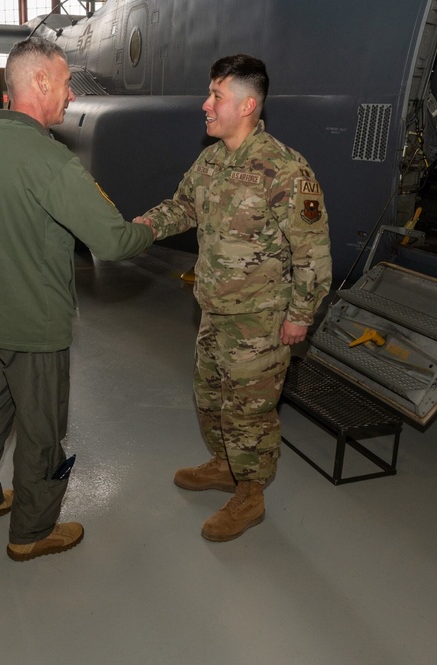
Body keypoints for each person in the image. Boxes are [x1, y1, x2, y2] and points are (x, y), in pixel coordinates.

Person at [0, 37, 153, 562]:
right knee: (42, 435)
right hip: (37, 334)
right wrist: (149, 226)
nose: (70, 98)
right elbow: (113, 241)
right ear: (38, 83)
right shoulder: (53, 163)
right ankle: (32, 531)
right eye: (64, 85)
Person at [136, 55, 332, 542]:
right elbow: (183, 206)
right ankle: (225, 466)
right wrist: (141, 228)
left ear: (246, 105)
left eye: (216, 96)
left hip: (261, 322)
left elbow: (313, 252)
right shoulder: (212, 160)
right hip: (214, 312)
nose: (206, 104)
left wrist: (300, 317)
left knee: (250, 412)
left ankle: (250, 496)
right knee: (211, 399)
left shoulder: (285, 170)